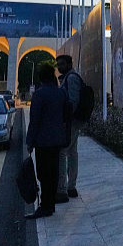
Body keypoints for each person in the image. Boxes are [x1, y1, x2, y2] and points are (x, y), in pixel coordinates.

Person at [25, 62, 70, 219]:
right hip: (57, 140)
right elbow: (67, 114)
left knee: (43, 174)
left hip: (43, 141)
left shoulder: (40, 94)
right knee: (53, 173)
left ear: (41, 78)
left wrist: (29, 141)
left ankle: (45, 206)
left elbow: (34, 120)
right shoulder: (61, 93)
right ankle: (50, 204)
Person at [56, 54, 83, 201]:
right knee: (72, 153)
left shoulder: (71, 78)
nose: (59, 67)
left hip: (70, 122)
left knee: (62, 153)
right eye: (58, 64)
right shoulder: (68, 77)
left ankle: (62, 189)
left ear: (69, 63)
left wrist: (65, 119)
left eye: (62, 64)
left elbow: (73, 101)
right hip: (72, 122)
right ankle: (71, 187)